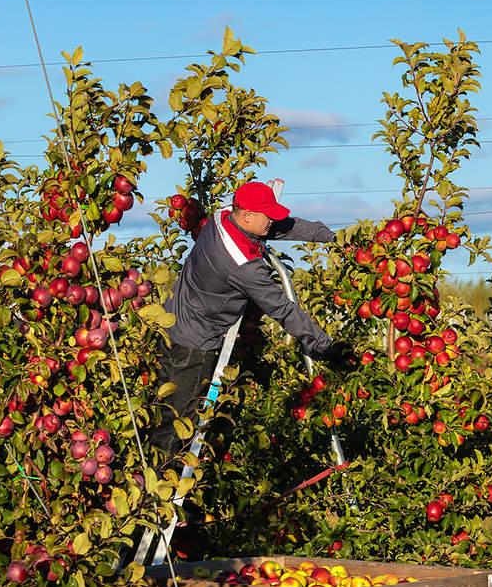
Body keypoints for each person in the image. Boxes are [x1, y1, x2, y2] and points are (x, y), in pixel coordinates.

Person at [150, 181, 354, 460]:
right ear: (246, 216)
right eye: (267, 215)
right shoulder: (242, 264)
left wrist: (331, 237)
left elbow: (286, 226)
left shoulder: (221, 216)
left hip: (171, 321)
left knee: (163, 411)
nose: (272, 221)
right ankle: (163, 483)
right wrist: (327, 347)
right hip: (193, 345)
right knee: (178, 426)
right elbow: (282, 309)